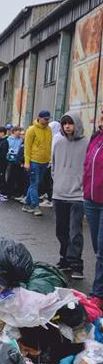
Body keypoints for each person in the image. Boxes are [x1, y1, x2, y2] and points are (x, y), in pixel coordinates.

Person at [53, 111, 87, 280]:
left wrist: (82, 186)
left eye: (70, 123)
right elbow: (53, 166)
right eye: (64, 123)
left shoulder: (86, 143)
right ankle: (64, 258)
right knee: (61, 230)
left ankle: (76, 264)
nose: (67, 126)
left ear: (77, 124)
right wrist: (57, 182)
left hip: (78, 196)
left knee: (75, 232)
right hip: (59, 194)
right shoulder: (58, 142)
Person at [83, 111, 103, 308]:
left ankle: (97, 293)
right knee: (98, 248)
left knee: (102, 251)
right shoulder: (96, 137)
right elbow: (88, 165)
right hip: (91, 200)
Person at [23, 110, 53, 216]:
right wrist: (27, 162)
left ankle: (26, 203)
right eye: (45, 119)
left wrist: (50, 159)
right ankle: (35, 206)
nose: (47, 121)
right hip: (34, 161)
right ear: (39, 118)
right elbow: (27, 147)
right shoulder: (31, 130)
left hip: (44, 161)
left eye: (48, 119)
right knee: (35, 183)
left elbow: (49, 145)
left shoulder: (49, 129)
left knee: (35, 183)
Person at [5, 126, 26, 200]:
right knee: (10, 176)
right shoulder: (8, 139)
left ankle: (16, 191)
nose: (20, 133)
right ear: (14, 131)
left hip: (18, 160)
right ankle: (8, 192)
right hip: (10, 159)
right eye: (18, 131)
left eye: (20, 131)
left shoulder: (21, 140)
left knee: (18, 177)